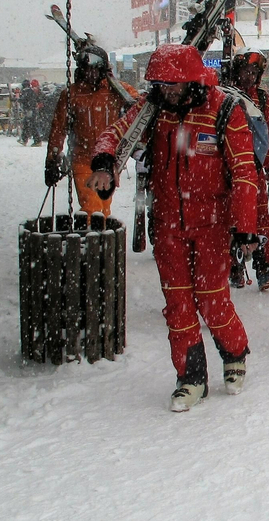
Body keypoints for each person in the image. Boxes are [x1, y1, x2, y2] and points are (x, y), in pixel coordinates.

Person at [87, 44, 260, 412]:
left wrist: (246, 228)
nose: (166, 91)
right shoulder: (152, 109)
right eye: (160, 84)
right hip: (167, 224)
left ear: (191, 81)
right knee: (178, 304)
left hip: (212, 225)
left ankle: (234, 351)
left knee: (212, 300)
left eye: (173, 85)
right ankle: (190, 377)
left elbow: (245, 172)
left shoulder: (225, 110)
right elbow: (116, 133)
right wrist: (104, 161)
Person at [45, 43, 138, 216]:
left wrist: (133, 102)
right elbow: (58, 128)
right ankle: (93, 237)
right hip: (82, 158)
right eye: (86, 70)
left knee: (104, 206)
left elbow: (140, 106)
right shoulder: (72, 94)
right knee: (91, 206)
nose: (90, 74)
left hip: (108, 159)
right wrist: (52, 159)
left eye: (95, 70)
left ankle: (101, 237)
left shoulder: (116, 90)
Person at [221, 50, 269, 290]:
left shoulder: (263, 99)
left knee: (261, 218)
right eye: (246, 70)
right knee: (232, 218)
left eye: (254, 72)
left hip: (255, 166)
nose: (249, 76)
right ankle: (234, 266)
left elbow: (267, 135)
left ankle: (265, 268)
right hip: (228, 165)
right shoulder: (224, 95)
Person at [18, 79, 42, 145]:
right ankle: (24, 139)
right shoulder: (31, 91)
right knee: (27, 124)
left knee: (31, 125)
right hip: (32, 110)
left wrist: (17, 99)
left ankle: (37, 141)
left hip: (30, 110)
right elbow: (37, 99)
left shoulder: (26, 91)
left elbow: (24, 99)